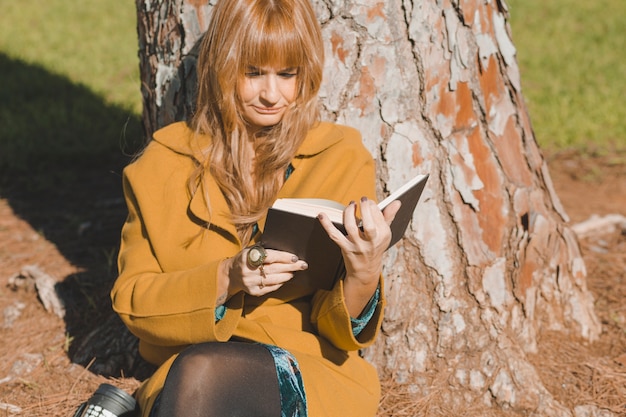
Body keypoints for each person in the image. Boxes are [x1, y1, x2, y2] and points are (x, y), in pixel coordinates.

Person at [111, 0, 401, 415]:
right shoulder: (163, 162)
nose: (271, 94)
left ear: (307, 72)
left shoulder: (340, 157)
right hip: (191, 369)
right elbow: (133, 301)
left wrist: (365, 270)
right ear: (223, 67)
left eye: (287, 74)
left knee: (206, 376)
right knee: (202, 372)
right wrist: (226, 277)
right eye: (253, 73)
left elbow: (338, 330)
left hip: (306, 368)